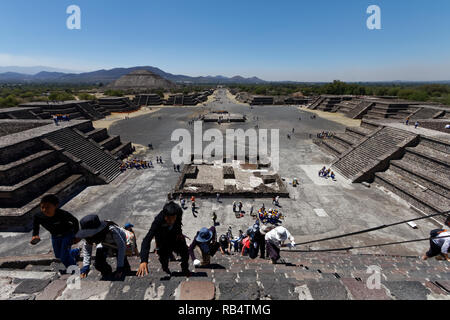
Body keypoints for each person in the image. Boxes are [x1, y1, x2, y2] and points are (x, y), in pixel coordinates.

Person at [137, 201, 190, 276]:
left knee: (185, 253)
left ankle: (185, 269)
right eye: (168, 219)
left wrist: (179, 233)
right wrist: (143, 260)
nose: (170, 221)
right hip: (163, 241)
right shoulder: (158, 221)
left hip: (175, 237)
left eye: (172, 219)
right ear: (165, 216)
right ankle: (165, 268)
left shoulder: (178, 212)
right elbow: (147, 239)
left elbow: (178, 223)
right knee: (164, 259)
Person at [31, 194, 80, 272]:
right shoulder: (39, 216)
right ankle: (75, 252)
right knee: (58, 255)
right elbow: (36, 226)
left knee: (64, 256)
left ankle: (74, 270)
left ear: (56, 206)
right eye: (42, 207)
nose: (44, 210)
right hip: (55, 236)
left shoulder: (62, 214)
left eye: (48, 207)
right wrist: (35, 235)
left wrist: (77, 235)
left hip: (67, 234)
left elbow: (75, 221)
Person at [76, 215, 130, 280]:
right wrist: (86, 266)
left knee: (123, 265)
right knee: (98, 264)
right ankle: (107, 272)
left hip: (117, 243)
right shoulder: (89, 237)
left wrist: (119, 267)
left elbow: (121, 246)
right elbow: (87, 248)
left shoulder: (111, 230)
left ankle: (124, 269)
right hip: (104, 243)